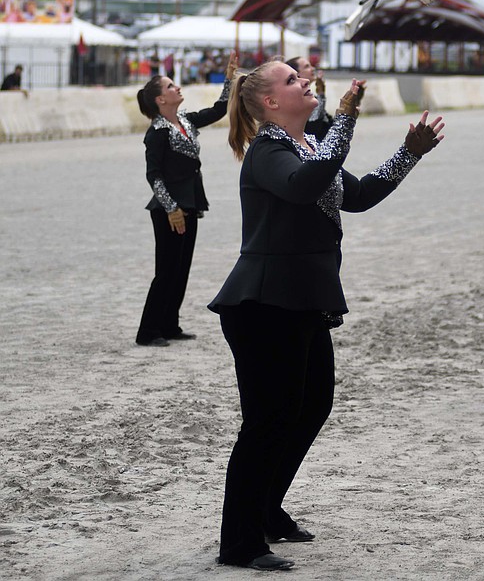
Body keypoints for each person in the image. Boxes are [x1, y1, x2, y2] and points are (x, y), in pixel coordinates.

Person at [208, 60, 444, 571]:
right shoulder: (267, 151)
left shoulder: (307, 146)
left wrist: (409, 154)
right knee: (267, 422)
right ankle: (240, 541)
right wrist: (345, 119)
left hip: (303, 300)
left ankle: (267, 509)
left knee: (310, 407)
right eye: (291, 81)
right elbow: (303, 186)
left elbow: (355, 196)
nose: (303, 82)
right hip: (264, 304)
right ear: (270, 102)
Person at [135, 51, 238, 347]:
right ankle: (148, 331)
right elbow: (153, 176)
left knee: (181, 269)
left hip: (191, 203)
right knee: (165, 271)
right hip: (169, 209)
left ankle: (169, 324)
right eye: (170, 86)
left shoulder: (186, 121)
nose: (176, 88)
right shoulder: (156, 133)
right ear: (160, 100)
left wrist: (229, 78)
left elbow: (219, 110)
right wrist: (171, 208)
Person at [285, 56, 336, 140]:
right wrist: (321, 95)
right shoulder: (296, 102)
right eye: (307, 66)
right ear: (296, 74)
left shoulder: (312, 98)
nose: (313, 69)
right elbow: (313, 126)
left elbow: (331, 125)